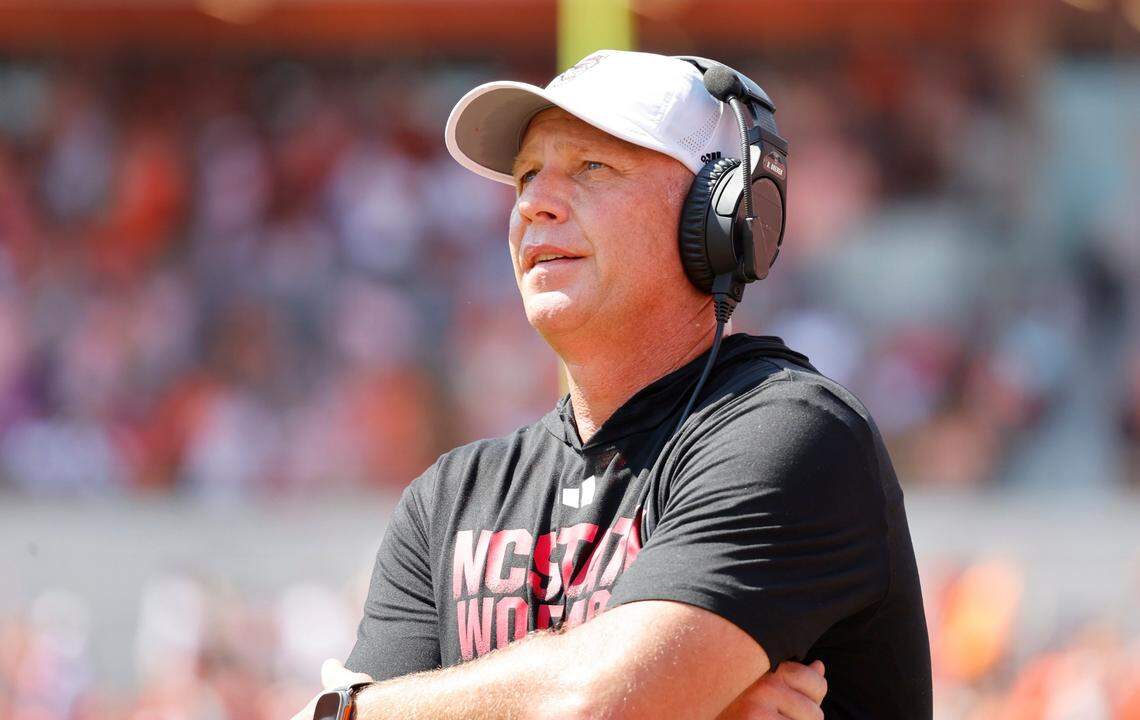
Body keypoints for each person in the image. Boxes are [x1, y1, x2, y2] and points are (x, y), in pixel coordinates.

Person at [293, 50, 932, 720]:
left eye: (591, 167)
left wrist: (363, 708)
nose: (533, 204)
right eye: (526, 176)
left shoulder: (794, 433)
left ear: (719, 215)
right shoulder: (446, 500)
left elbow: (594, 706)